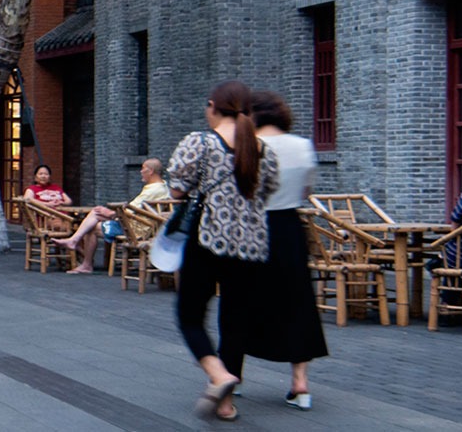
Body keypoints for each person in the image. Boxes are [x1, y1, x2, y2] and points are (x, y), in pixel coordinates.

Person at [169, 79, 278, 423]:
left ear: (213, 107)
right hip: (250, 248)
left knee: (189, 316)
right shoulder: (263, 151)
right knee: (235, 323)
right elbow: (269, 193)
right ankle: (226, 403)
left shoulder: (199, 142)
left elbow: (175, 190)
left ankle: (218, 375)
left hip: (207, 241)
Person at [243, 90, 326, 411]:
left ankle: (232, 374)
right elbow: (307, 189)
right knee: (298, 302)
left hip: (254, 227)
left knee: (243, 299)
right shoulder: (303, 146)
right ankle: (300, 383)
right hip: (290, 229)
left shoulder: (249, 148)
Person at [53, 158, 169, 273]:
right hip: (138, 222)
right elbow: (134, 209)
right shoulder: (163, 186)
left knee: (92, 227)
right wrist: (111, 213)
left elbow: (130, 211)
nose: (140, 171)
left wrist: (111, 213)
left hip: (135, 228)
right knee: (96, 213)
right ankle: (75, 241)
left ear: (151, 171)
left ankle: (85, 262)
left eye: (143, 168)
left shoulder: (153, 190)